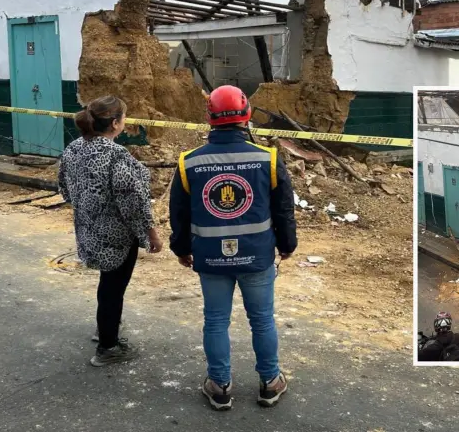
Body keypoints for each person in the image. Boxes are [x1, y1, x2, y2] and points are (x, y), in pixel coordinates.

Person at [169, 85, 297, 411]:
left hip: (211, 257)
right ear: (247, 115)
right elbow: (283, 209)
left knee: (215, 321)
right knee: (262, 320)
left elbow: (180, 215)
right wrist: (286, 245)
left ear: (209, 118)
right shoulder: (268, 159)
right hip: (257, 255)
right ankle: (270, 382)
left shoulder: (189, 163)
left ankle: (220, 385)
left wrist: (181, 248)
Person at [58, 95, 163, 367]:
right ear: (115, 123)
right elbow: (134, 202)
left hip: (88, 230)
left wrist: (87, 209)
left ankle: (105, 328)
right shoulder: (116, 156)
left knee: (108, 286)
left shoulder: (73, 149)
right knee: (113, 289)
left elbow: (64, 189)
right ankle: (108, 346)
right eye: (124, 118)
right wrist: (150, 232)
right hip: (116, 237)